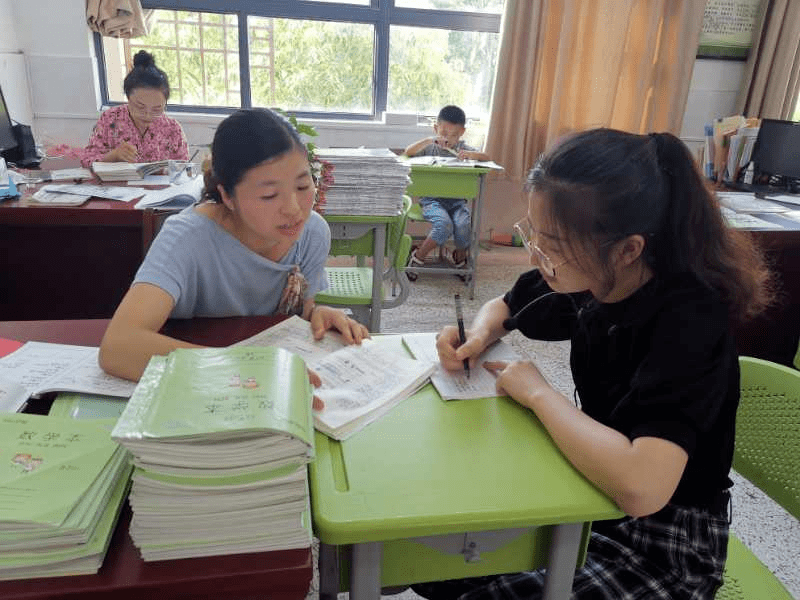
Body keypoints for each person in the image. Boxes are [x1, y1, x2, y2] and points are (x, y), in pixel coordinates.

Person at [416, 128, 774, 600]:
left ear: (628, 249)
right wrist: (479, 334)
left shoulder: (689, 321)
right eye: (535, 236)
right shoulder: (593, 279)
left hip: (665, 546)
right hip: (592, 496)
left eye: (554, 245)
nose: (539, 258)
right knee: (433, 561)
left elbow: (643, 487)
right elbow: (504, 306)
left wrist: (541, 395)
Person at [99, 108, 368, 390]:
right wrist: (244, 371)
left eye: (303, 185)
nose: (293, 209)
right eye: (269, 195)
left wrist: (316, 315)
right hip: (202, 388)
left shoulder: (312, 232)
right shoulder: (186, 238)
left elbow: (294, 315)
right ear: (227, 196)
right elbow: (119, 347)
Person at [404, 105, 490, 273]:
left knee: (464, 224)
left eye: (454, 135)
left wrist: (471, 155)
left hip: (457, 201)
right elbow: (408, 152)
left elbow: (487, 157)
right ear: (436, 128)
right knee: (444, 225)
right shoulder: (430, 147)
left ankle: (460, 256)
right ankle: (418, 256)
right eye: (443, 134)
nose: (448, 139)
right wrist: (430, 140)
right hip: (432, 201)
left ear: (462, 132)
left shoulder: (462, 149)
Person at [81, 50, 188, 167]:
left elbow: (183, 168)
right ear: (128, 98)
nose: (148, 115)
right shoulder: (110, 119)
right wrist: (113, 156)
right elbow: (86, 160)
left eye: (157, 109)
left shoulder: (172, 128)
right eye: (140, 107)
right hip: (116, 185)